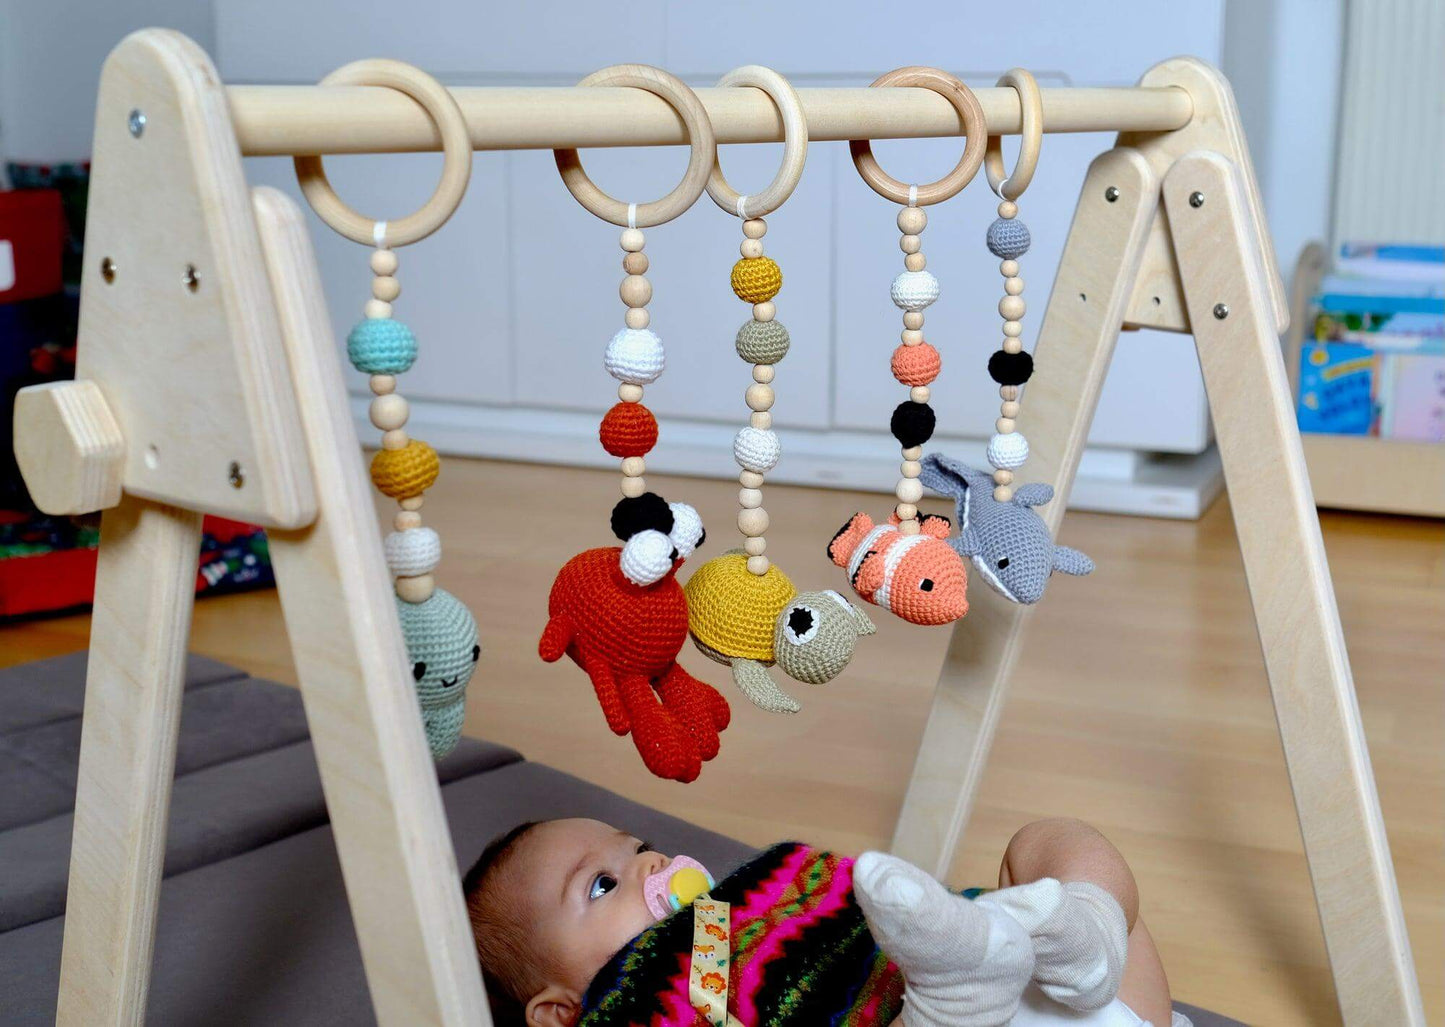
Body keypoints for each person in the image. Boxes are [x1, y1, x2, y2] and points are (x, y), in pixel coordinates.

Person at [463, 816, 1181, 1027]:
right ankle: (954, 997)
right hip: (945, 1006)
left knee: (1046, 842)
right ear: (557, 1014)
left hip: (1077, 992)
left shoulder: (737, 914)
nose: (651, 864)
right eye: (601, 884)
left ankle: (1087, 930)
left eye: (638, 846)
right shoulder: (655, 1008)